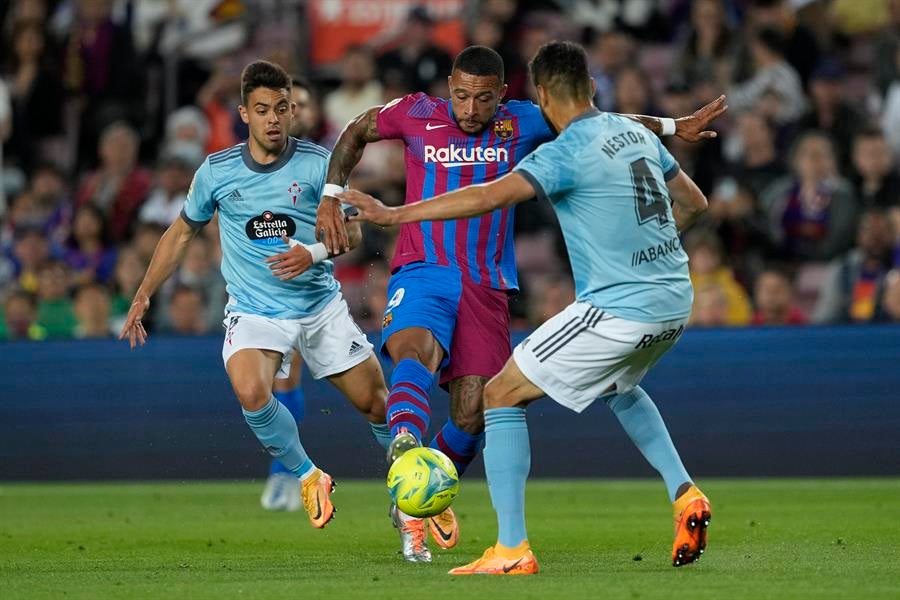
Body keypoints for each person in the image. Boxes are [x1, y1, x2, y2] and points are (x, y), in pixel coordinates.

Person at [316, 44, 725, 562]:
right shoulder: (417, 112)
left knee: (476, 410)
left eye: (482, 99)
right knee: (417, 350)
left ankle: (423, 491)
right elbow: (357, 128)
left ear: (511, 96)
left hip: (488, 282)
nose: (469, 109)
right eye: (460, 96)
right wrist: (332, 192)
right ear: (447, 86)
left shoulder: (528, 126)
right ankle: (407, 452)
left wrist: (392, 214)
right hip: (427, 268)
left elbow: (571, 138)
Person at [118, 60, 391, 530]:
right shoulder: (217, 172)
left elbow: (355, 235)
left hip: (319, 306)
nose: (273, 118)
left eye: (281, 108)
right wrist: (144, 294)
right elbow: (181, 234)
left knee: (379, 405)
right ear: (244, 113)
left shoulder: (318, 163)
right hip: (255, 309)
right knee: (250, 390)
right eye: (262, 109)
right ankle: (307, 475)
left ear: (290, 111)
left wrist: (314, 253)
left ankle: (413, 485)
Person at [259, 74, 322, 512]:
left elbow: (348, 227)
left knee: (287, 379)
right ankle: (289, 475)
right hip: (262, 287)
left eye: (297, 104)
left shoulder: (323, 162)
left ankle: (288, 476)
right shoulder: (253, 161)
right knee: (276, 383)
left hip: (313, 287)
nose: (287, 112)